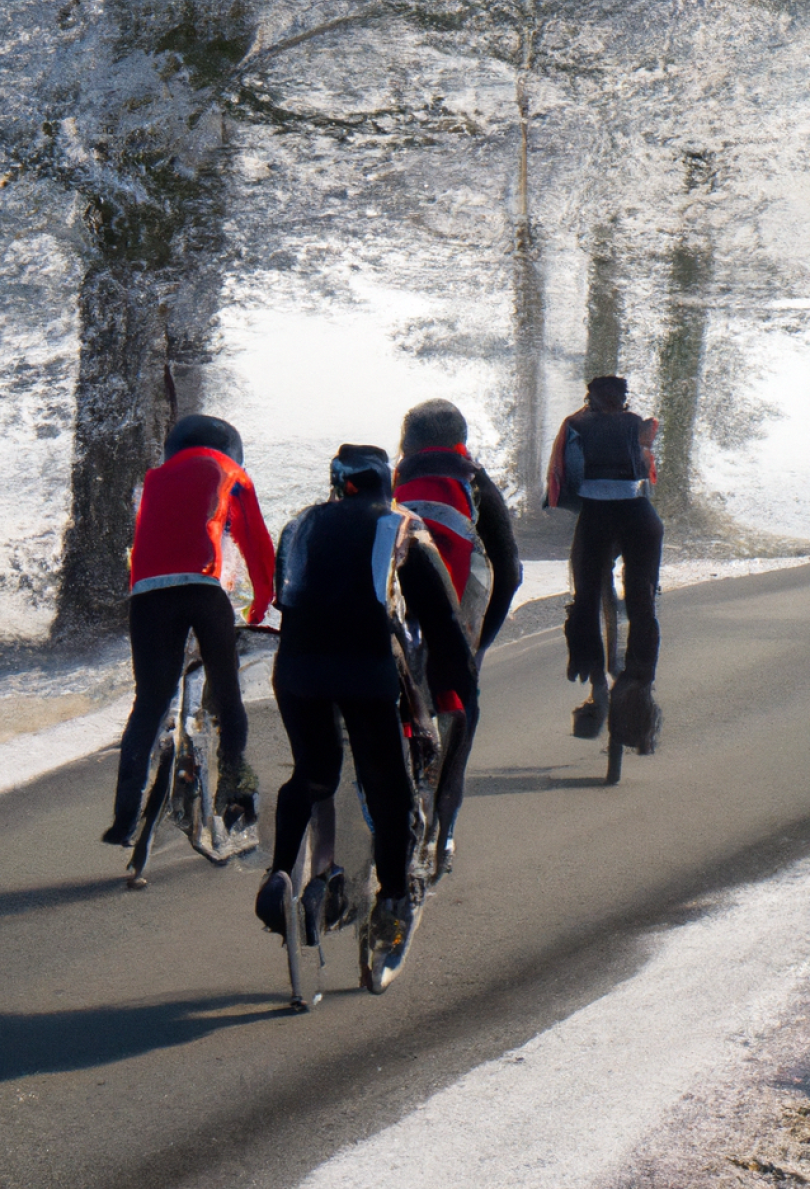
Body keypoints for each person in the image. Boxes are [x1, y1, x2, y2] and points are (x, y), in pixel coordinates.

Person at [256, 445, 476, 993]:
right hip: (367, 671)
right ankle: (394, 898)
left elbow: (285, 598)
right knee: (387, 787)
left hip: (297, 670)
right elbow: (444, 622)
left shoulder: (300, 524)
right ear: (385, 483)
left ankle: (282, 873)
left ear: (337, 485)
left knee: (314, 769)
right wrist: (464, 693)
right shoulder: (402, 527)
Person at [103, 414, 275, 847]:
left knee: (150, 703)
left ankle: (124, 821)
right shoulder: (230, 472)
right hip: (202, 590)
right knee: (226, 686)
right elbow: (254, 541)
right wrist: (260, 604)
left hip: (147, 596)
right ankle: (234, 781)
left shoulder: (154, 479)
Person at [393, 399, 521, 876]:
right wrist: (480, 645)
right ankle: (443, 831)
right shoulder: (473, 481)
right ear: (460, 438)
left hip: (393, 612)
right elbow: (508, 570)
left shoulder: (392, 479)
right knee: (462, 706)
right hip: (454, 609)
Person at [545, 376, 663, 751]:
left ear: (590, 397)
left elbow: (567, 481)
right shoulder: (637, 424)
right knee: (643, 595)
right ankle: (638, 682)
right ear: (624, 400)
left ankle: (595, 677)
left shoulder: (575, 424)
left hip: (596, 517)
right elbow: (645, 473)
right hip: (639, 516)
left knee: (585, 595)